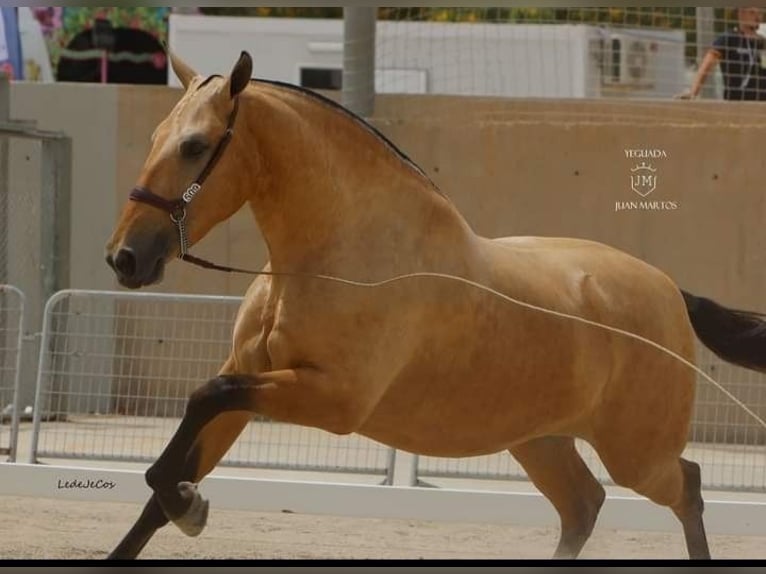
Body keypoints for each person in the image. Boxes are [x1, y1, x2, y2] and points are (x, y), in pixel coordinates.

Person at [677, 7, 766, 101]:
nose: (757, 17)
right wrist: (693, 92)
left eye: (760, 13)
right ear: (741, 14)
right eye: (752, 13)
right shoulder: (729, 38)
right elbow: (707, 64)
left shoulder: (762, 42)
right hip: (736, 103)